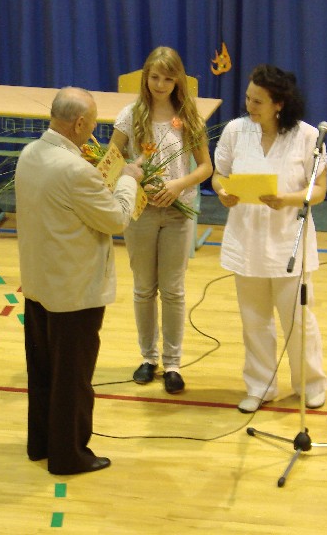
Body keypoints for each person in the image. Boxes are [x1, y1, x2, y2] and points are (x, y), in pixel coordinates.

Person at [16, 86, 144, 475]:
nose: (94, 130)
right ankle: (68, 454)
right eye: (92, 123)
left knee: (42, 372)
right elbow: (116, 219)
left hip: (38, 285)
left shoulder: (30, 153)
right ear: (79, 123)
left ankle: (41, 443)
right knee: (72, 379)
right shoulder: (75, 170)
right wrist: (128, 178)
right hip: (73, 292)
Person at [211, 64, 327, 413]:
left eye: (258, 101)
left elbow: (319, 190)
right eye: (248, 98)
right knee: (254, 321)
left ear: (279, 104)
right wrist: (222, 192)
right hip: (246, 240)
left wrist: (287, 200)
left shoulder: (307, 136)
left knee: (299, 321)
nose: (250, 105)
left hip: (287, 242)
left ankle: (310, 384)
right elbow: (219, 175)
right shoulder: (235, 131)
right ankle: (260, 386)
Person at [111, 46, 213, 394]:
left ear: (178, 81)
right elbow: (112, 159)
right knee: (143, 288)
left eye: (168, 79)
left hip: (176, 212)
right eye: (154, 77)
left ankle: (172, 363)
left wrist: (178, 184)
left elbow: (205, 167)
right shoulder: (130, 115)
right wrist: (133, 175)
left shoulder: (188, 116)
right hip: (140, 211)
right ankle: (148, 357)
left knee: (172, 290)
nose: (160, 84)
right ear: (146, 77)